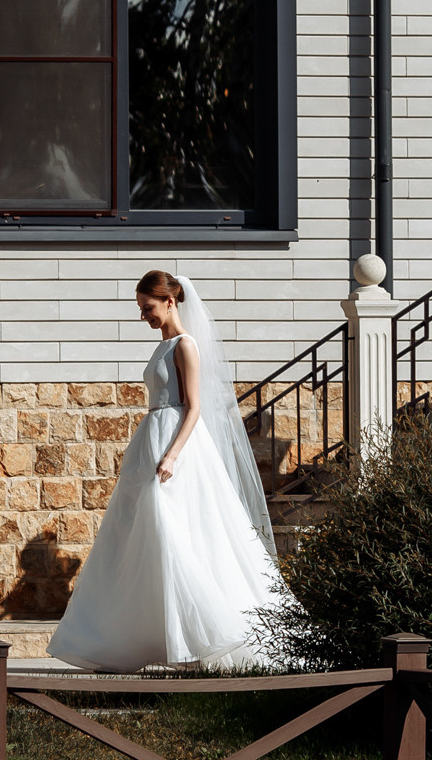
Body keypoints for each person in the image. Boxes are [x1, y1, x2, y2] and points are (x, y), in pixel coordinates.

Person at [48, 270, 282, 672]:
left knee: (173, 530)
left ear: (170, 301)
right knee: (140, 534)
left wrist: (172, 455)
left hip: (175, 447)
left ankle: (198, 638)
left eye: (148, 308)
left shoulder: (185, 345)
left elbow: (194, 406)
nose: (144, 316)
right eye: (141, 309)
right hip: (151, 439)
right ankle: (138, 638)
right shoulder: (163, 345)